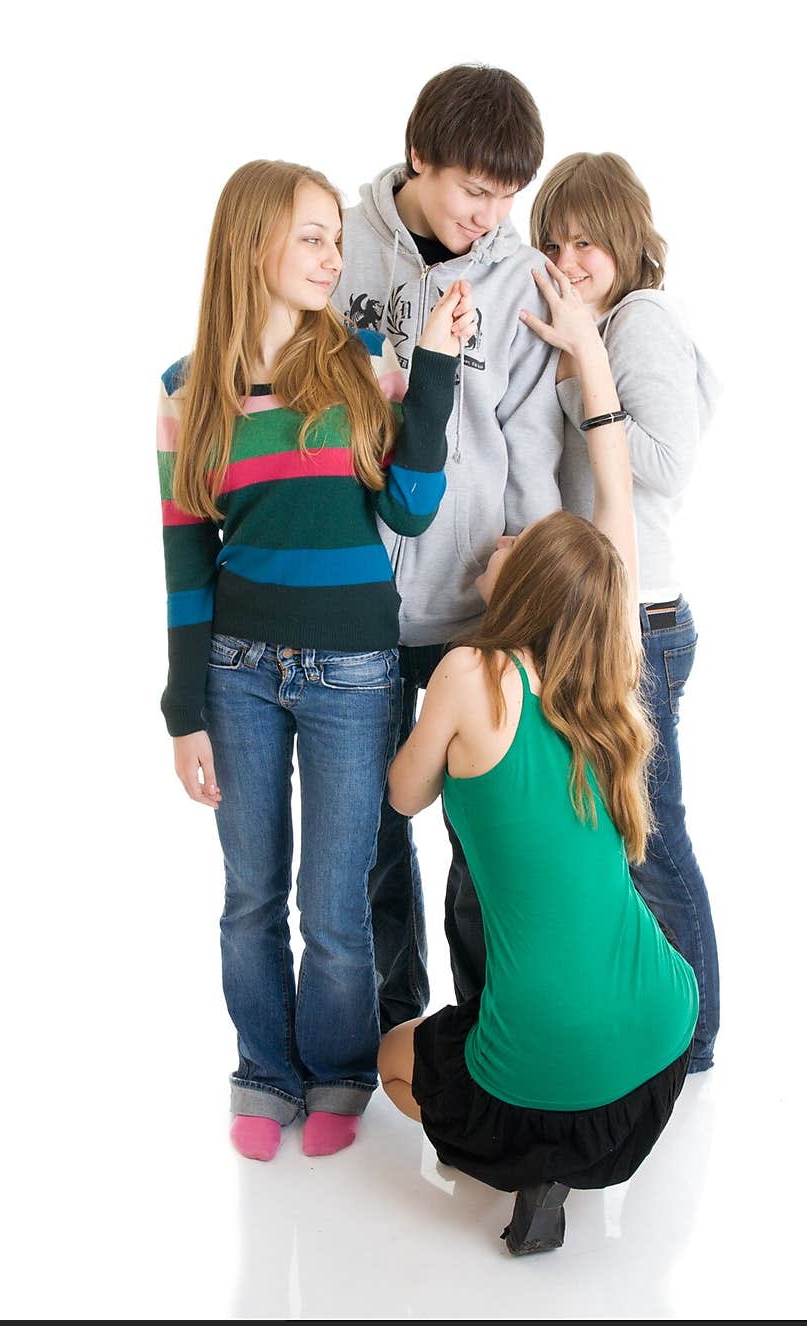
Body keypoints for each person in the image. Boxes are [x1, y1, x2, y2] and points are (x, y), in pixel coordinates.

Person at [377, 255, 698, 1255]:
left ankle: (525, 1163)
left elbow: (401, 793)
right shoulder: (608, 663)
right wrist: (586, 352)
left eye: (528, 539)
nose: (517, 531)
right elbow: (610, 486)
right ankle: (558, 1149)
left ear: (524, 592)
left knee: (395, 1056)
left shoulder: (472, 674)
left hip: (540, 1094)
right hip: (658, 1060)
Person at [156, 160, 474, 1162]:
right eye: (310, 236)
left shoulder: (364, 363)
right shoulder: (185, 392)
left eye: (337, 237)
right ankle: (264, 1067)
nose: (333, 256)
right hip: (238, 674)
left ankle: (339, 1067)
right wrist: (183, 708)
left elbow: (411, 508)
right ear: (252, 243)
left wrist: (430, 367)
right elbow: (183, 561)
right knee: (251, 890)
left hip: (352, 674)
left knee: (334, 900)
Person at [332, 64, 563, 1032]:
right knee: (373, 827)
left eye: (506, 196)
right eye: (475, 189)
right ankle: (394, 1019)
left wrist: (533, 581)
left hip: (474, 600)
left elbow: (530, 436)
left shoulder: (513, 276)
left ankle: (486, 1024)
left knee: (486, 830)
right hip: (354, 598)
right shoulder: (343, 244)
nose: (489, 214)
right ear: (418, 156)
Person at [529, 152, 720, 1072]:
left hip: (642, 621)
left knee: (654, 835)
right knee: (621, 836)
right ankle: (661, 1027)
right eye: (555, 244)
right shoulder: (596, 324)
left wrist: (580, 373)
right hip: (598, 618)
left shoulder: (638, 321)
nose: (569, 260)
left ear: (626, 241)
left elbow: (666, 461)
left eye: (588, 242)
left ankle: (698, 1037)